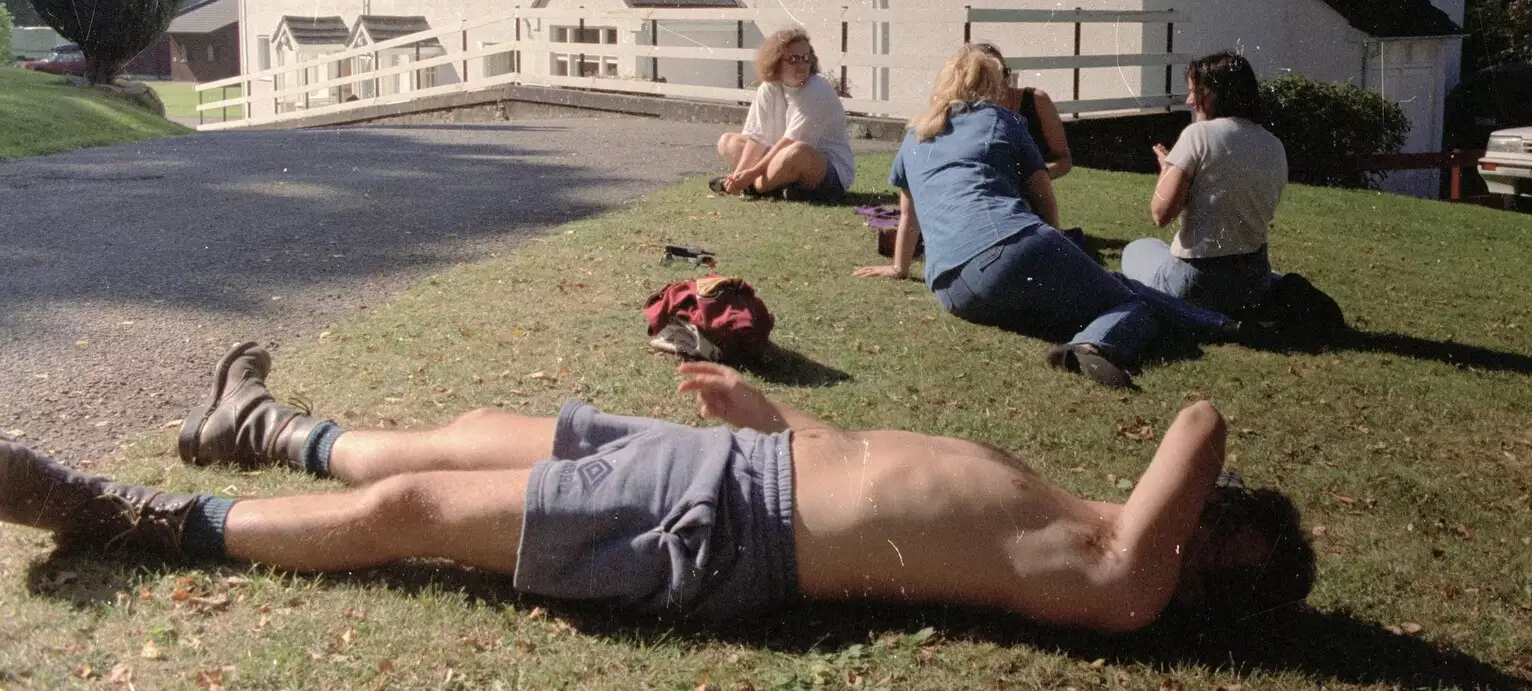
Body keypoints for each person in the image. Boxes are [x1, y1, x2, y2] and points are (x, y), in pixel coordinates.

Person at [0, 342, 1315, 631]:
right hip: (749, 467)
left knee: (416, 522)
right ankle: (266, 425)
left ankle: (131, 517)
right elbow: (881, 476)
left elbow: (1198, 416)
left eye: (1223, 529)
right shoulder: (1067, 513)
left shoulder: (1121, 575)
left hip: (727, 527)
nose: (1203, 521)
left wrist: (1211, 484)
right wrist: (773, 411)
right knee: (467, 429)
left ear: (1214, 560)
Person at [853, 45, 1233, 387]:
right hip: (1013, 247)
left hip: (952, 288)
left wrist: (900, 268)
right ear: (993, 85)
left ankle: (1190, 325)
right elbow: (1043, 196)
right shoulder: (1002, 121)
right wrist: (1059, 248)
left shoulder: (913, 136)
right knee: (1129, 300)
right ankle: (1211, 328)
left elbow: (909, 216)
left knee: (1091, 295)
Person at [1122, 52, 1287, 316]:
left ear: (1209, 93)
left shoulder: (1198, 135)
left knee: (1137, 249)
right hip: (1253, 284)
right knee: (1159, 249)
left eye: (1192, 92)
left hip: (1198, 283)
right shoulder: (1273, 144)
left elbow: (1160, 214)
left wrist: (1166, 170)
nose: (1189, 101)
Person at [712, 26, 854, 203]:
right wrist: (738, 174)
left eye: (805, 58)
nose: (801, 65)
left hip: (828, 172)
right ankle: (759, 185)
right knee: (728, 142)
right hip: (782, 159)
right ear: (776, 61)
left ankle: (755, 188)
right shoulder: (768, 88)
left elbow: (790, 142)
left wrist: (751, 174)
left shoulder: (818, 89)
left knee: (796, 151)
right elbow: (756, 138)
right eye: (793, 59)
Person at [973, 43, 1073, 179]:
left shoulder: (1036, 100)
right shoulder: (969, 110)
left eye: (1003, 73)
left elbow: (1064, 160)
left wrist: (1033, 180)